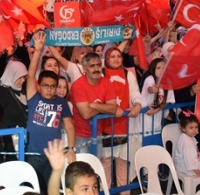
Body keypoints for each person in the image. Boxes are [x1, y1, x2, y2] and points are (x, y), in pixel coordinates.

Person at [26, 31, 76, 193]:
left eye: (52, 86)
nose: (49, 89)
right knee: (34, 190)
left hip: (54, 154)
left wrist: (71, 149)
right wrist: (38, 51)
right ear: (39, 86)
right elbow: (31, 73)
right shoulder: (34, 97)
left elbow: (69, 127)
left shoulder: (62, 102)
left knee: (53, 189)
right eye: (45, 85)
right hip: (33, 154)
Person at [101, 47, 142, 193]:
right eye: (112, 56)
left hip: (124, 126)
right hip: (104, 127)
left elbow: (135, 92)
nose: (116, 59)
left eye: (118, 56)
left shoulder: (128, 74)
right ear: (106, 59)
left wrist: (137, 104)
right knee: (105, 165)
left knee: (123, 165)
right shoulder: (100, 73)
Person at [70, 52, 117, 155]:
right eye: (92, 66)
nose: (96, 69)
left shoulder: (107, 83)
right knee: (84, 169)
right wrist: (104, 107)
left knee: (97, 168)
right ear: (84, 68)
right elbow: (86, 114)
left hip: (98, 133)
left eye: (98, 65)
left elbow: (114, 109)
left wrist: (94, 105)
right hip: (81, 135)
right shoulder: (78, 85)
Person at [141, 58, 167, 136]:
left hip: (157, 119)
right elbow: (150, 88)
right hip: (144, 118)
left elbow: (168, 100)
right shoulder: (150, 79)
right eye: (158, 68)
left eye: (163, 68)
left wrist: (156, 110)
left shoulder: (167, 82)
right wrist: (153, 89)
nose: (161, 70)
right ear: (153, 69)